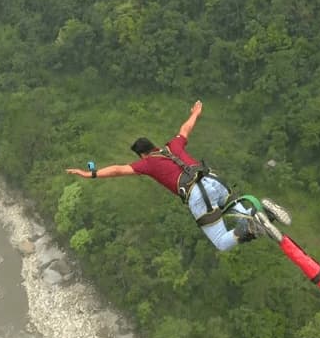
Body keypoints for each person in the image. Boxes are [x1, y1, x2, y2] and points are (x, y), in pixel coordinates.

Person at [66, 100, 291, 251]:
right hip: (214, 181)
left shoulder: (147, 163)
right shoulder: (172, 145)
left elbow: (118, 169)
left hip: (195, 195)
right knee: (227, 207)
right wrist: (195, 113)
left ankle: (253, 227)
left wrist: (90, 174)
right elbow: (185, 129)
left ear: (142, 154)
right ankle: (262, 213)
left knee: (222, 242)